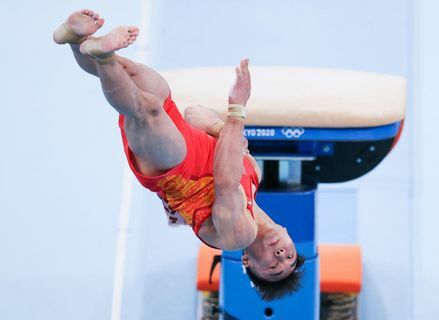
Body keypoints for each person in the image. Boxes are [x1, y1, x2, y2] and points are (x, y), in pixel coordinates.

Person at [53, 9, 304, 300]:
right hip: (183, 134)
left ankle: (104, 54)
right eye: (289, 256)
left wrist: (236, 112)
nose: (281, 256)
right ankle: (75, 38)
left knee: (146, 109)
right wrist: (222, 128)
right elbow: (194, 114)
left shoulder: (238, 236)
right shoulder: (254, 173)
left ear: (247, 262)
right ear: (287, 232)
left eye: (273, 267)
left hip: (175, 168)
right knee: (134, 75)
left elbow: (224, 183)